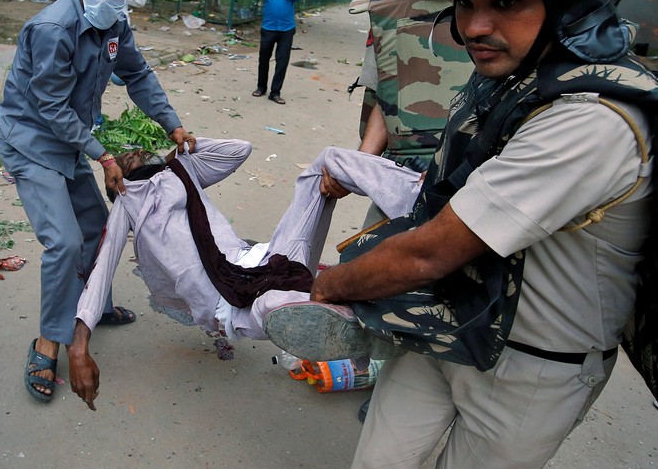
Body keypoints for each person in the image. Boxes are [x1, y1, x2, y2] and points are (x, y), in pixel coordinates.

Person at [263, 0, 658, 469]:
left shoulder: (594, 119)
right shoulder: (513, 79)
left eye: (506, 2)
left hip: (531, 369)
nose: (475, 27)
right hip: (447, 327)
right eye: (464, 4)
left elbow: (433, 250)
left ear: (572, 3)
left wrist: (331, 285)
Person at [65, 137, 423, 410]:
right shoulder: (128, 205)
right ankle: (374, 322)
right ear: (115, 183)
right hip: (235, 305)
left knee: (326, 161)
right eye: (125, 157)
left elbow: (239, 150)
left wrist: (183, 149)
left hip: (268, 260)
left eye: (137, 150)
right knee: (279, 306)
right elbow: (99, 274)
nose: (131, 152)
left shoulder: (181, 172)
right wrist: (79, 347)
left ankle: (422, 200)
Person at [0, 0, 194, 404]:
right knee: (63, 242)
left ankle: (94, 307)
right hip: (33, 142)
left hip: (70, 143)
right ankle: (48, 340)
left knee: (99, 230)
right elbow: (50, 106)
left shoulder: (116, 25)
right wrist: (105, 157)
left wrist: (173, 124)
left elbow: (139, 75)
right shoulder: (52, 29)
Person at [347, 0, 474, 228]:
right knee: (368, 265)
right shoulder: (390, 10)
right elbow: (384, 97)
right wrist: (359, 167)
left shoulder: (500, 16)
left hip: (474, 186)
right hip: (400, 179)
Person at [249, 0, 304, 104]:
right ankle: (261, 87)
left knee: (282, 61)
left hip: (286, 28)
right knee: (264, 58)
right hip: (269, 26)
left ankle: (275, 92)